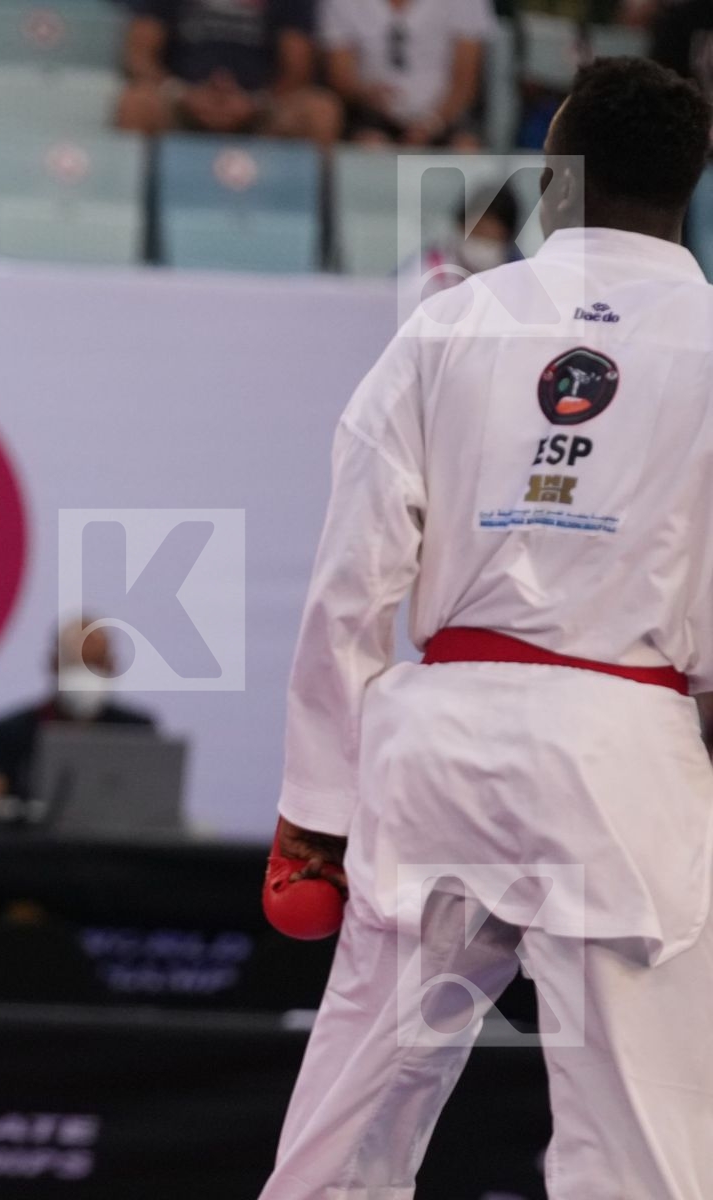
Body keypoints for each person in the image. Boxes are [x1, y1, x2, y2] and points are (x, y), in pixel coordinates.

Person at [262, 58, 713, 1197]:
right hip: (627, 756)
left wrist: (315, 808)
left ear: (553, 179)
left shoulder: (446, 325)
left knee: (347, 1129)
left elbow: (353, 583)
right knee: (640, 1153)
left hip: (439, 747)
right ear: (692, 187)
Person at [0, 617, 156, 824]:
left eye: (95, 663)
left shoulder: (137, 732)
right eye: (75, 664)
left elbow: (157, 806)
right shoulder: (10, 732)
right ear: (54, 664)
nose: (86, 674)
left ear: (112, 665)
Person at [115, 0, 343, 145]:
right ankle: (125, 214)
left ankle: (298, 214)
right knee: (137, 103)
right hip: (181, 103)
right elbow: (139, 55)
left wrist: (256, 102)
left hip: (261, 110)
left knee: (319, 111)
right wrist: (181, 94)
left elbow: (298, 68)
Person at [321, 0, 494, 148]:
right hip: (372, 115)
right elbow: (340, 77)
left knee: (465, 149)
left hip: (447, 116)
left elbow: (465, 82)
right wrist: (366, 93)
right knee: (370, 148)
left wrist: (430, 124)